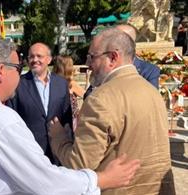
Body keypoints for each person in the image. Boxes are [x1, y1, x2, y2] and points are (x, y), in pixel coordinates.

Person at [0, 33, 140, 195]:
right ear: (1, 71)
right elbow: (46, 182)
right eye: (17, 67)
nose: (21, 73)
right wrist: (101, 179)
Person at [49, 28, 175, 195]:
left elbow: (79, 164)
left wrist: (59, 138)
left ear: (113, 58)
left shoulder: (100, 99)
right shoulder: (152, 92)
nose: (87, 64)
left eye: (92, 57)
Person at [6, 43, 72, 165]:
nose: (35, 60)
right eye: (31, 57)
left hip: (58, 152)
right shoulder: (18, 84)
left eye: (39, 56)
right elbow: (11, 118)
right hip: (30, 154)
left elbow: (67, 118)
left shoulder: (61, 84)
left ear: (49, 59)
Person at [83, 24, 160, 100]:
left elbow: (149, 98)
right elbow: (88, 95)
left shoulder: (149, 70)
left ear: (129, 42)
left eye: (117, 36)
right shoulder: (105, 67)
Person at [53, 55, 85, 131]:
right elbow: (88, 97)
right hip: (69, 123)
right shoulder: (70, 84)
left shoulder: (52, 83)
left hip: (57, 122)